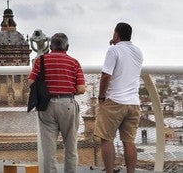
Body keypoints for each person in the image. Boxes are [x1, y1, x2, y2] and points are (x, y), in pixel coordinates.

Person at [28, 33, 86, 173]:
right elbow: (81, 89)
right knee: (71, 149)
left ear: (50, 46)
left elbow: (31, 82)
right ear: (67, 47)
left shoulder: (41, 61)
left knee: (49, 151)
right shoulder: (74, 62)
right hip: (67, 104)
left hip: (46, 106)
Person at [95, 23, 143, 173]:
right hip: (134, 103)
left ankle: (109, 171)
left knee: (106, 139)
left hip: (114, 102)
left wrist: (101, 97)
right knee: (129, 141)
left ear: (116, 34)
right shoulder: (138, 51)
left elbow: (106, 76)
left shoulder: (113, 50)